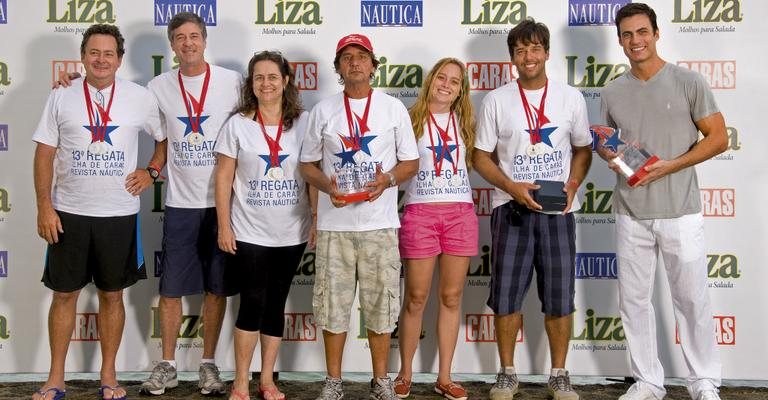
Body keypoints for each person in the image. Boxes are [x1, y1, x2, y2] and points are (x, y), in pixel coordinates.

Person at [599, 4, 727, 400]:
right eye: (626, 34)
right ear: (619, 40)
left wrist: (670, 165)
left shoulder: (688, 81)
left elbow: (718, 138)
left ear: (656, 33)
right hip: (631, 211)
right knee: (634, 302)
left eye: (642, 32)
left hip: (681, 210)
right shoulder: (612, 91)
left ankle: (704, 381)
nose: (635, 41)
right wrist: (612, 154)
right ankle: (648, 382)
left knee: (691, 299)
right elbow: (608, 144)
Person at [32, 24, 162, 400]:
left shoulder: (140, 97)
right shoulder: (61, 95)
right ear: (83, 56)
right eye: (94, 52)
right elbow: (43, 153)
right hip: (68, 213)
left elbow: (164, 137)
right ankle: (56, 378)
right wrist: (44, 205)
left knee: (111, 296)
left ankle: (109, 376)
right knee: (64, 296)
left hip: (118, 214)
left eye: (109, 53)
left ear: (119, 60)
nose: (101, 59)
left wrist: (151, 171)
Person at [473, 18, 592, 400]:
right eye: (520, 50)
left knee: (559, 296)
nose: (528, 56)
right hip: (512, 209)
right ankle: (507, 373)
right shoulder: (496, 99)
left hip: (557, 212)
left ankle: (559, 374)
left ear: (547, 53)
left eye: (535, 48)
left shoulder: (569, 97)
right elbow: (480, 157)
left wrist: (573, 184)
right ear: (512, 57)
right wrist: (510, 186)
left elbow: (583, 149)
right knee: (507, 295)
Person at [299, 33, 419, 400]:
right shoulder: (323, 110)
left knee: (381, 304)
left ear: (373, 64)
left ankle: (381, 380)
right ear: (338, 67)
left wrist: (388, 179)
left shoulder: (393, 108)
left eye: (361, 56)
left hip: (380, 226)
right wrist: (327, 186)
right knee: (332, 305)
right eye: (347, 57)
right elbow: (307, 165)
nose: (354, 63)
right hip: (335, 226)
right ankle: (333, 381)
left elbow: (411, 161)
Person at [139, 12, 242, 396]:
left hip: (223, 205)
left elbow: (265, 113)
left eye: (194, 36)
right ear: (172, 44)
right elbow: (159, 138)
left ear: (204, 40)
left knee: (216, 288)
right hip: (181, 204)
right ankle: (166, 365)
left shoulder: (232, 82)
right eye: (180, 37)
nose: (188, 43)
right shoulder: (157, 87)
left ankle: (208, 365)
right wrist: (74, 84)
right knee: (170, 289)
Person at [214, 50, 315, 400]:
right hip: (249, 231)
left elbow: (312, 176)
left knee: (276, 304)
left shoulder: (304, 122)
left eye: (273, 76)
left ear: (286, 81)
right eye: (259, 78)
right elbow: (224, 178)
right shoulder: (238, 124)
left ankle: (267, 379)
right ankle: (241, 380)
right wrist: (223, 225)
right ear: (251, 84)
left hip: (292, 232)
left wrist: (315, 220)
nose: (266, 83)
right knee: (252, 302)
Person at [393, 58, 477, 400]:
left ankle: (445, 377)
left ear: (461, 91)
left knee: (452, 297)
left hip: (460, 213)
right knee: (414, 297)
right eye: (441, 77)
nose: (446, 84)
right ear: (431, 81)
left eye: (454, 81)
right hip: (420, 212)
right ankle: (404, 374)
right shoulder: (409, 118)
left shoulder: (468, 121)